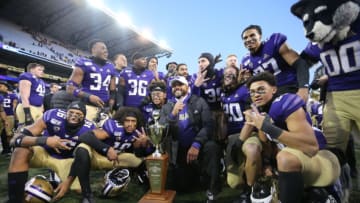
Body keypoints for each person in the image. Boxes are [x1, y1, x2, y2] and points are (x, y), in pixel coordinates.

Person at [243, 72, 340, 203]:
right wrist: (267, 164)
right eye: (252, 92)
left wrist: (268, 127)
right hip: (299, 160)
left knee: (285, 158)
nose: (256, 95)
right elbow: (268, 144)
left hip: (320, 157)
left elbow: (311, 146)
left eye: (261, 90)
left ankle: (327, 194)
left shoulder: (284, 102)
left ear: (274, 89)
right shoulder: (261, 113)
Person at [53, 107, 151, 202]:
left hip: (116, 158)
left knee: (141, 160)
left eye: (133, 121)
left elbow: (139, 154)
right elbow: (85, 136)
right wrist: (106, 149)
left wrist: (143, 145)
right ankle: (87, 195)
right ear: (121, 121)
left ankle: (147, 183)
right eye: (127, 121)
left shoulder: (138, 132)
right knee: (82, 148)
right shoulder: (114, 127)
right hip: (97, 157)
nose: (130, 124)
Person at [7, 101, 95, 203]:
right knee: (20, 151)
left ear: (84, 117)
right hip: (44, 152)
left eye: (78, 114)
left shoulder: (90, 128)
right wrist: (45, 140)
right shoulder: (52, 116)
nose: (74, 116)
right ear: (65, 112)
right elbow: (15, 140)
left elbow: (82, 158)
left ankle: (59, 175)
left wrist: (68, 182)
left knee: (78, 189)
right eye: (71, 112)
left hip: (67, 160)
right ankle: (15, 199)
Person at [159, 76, 222, 203]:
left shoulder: (199, 101)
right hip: (179, 149)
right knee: (183, 186)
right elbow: (161, 130)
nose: (177, 87)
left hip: (199, 144)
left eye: (180, 84)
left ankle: (212, 190)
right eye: (174, 85)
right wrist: (173, 114)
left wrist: (197, 144)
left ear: (187, 87)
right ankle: (197, 176)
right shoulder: (167, 107)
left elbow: (208, 125)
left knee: (212, 147)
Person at [240, 25, 309, 102]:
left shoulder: (273, 42)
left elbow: (299, 63)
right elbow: (251, 84)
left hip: (289, 86)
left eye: (252, 35)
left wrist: (303, 88)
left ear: (260, 36)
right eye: (245, 38)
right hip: (267, 95)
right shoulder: (246, 61)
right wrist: (245, 80)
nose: (248, 39)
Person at [66, 39, 117, 121]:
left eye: (106, 49)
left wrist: (109, 107)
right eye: (103, 48)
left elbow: (113, 91)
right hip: (86, 107)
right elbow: (70, 88)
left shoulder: (111, 67)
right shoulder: (84, 63)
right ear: (93, 50)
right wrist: (89, 96)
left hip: (104, 110)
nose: (106, 51)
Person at [193, 53, 226, 142]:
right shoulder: (196, 77)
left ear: (210, 62)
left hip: (222, 111)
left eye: (203, 61)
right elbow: (194, 101)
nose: (200, 64)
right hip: (207, 113)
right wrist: (196, 86)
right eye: (199, 62)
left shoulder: (220, 73)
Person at [16, 63, 46, 127]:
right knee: (25, 132)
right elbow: (24, 97)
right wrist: (27, 114)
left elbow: (39, 96)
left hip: (38, 109)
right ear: (31, 69)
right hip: (28, 107)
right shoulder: (27, 76)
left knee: (37, 131)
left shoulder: (41, 81)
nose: (42, 72)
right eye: (39, 70)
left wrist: (41, 108)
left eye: (42, 70)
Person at [0, 81, 18, 155]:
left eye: (1, 86)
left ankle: (11, 149)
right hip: (1, 115)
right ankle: (5, 149)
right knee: (2, 134)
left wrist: (16, 117)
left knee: (9, 134)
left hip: (9, 115)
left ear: (6, 87)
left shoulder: (13, 95)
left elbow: (14, 107)